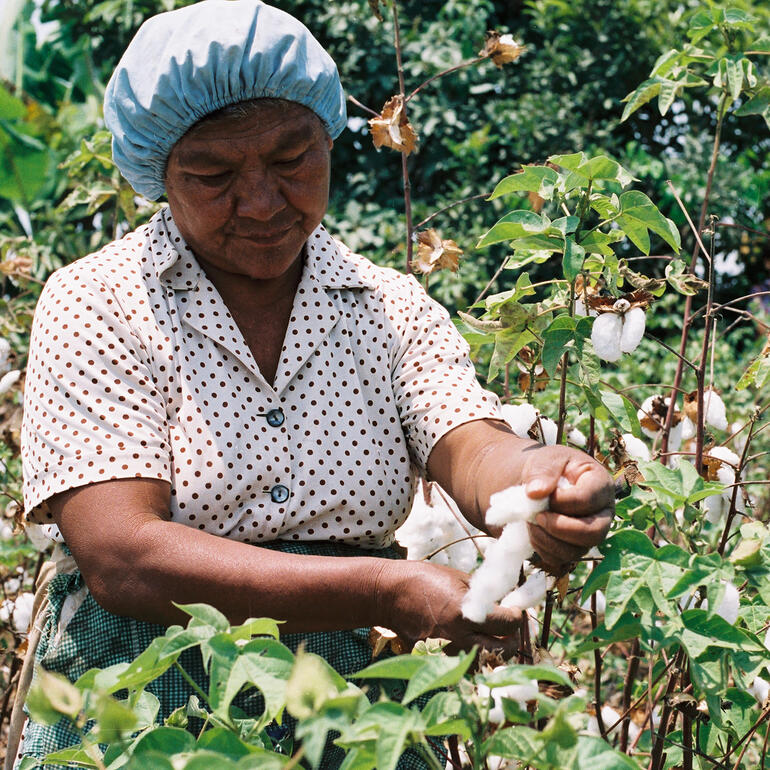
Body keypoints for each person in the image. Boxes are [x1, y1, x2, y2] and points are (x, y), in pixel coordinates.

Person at [12, 1, 614, 766]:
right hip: (140, 704)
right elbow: (124, 555)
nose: (262, 202)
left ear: (328, 139)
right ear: (158, 174)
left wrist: (538, 478)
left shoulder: (387, 307)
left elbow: (467, 444)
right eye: (214, 175)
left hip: (346, 715)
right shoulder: (101, 301)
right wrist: (381, 593)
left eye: (293, 159)